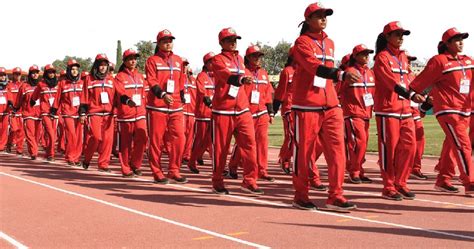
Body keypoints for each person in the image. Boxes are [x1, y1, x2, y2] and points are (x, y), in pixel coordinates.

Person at [291, 3, 358, 210]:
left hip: (331, 105)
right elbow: (313, 66)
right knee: (304, 152)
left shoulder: (329, 43)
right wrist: (340, 74)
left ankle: (336, 195)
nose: (323, 18)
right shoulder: (301, 43)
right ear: (308, 20)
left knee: (338, 150)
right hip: (306, 106)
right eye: (318, 15)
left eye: (325, 15)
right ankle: (301, 195)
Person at [410, 28, 473, 197]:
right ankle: (470, 182)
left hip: (464, 109)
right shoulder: (439, 61)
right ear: (447, 43)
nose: (461, 42)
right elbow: (417, 83)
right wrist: (415, 95)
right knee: (463, 145)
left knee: (452, 145)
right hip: (448, 109)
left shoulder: (468, 60)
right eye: (456, 39)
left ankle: (443, 179)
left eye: (462, 39)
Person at [210, 27, 263, 195]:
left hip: (242, 110)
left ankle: (249, 180)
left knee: (249, 145)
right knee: (221, 149)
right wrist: (240, 79)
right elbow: (226, 75)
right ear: (221, 42)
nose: (233, 42)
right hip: (223, 111)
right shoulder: (217, 60)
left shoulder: (240, 59)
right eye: (229, 40)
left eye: (235, 39)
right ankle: (217, 180)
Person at [373, 21, 421, 201]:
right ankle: (388, 186)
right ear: (387, 37)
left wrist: (416, 93)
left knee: (410, 146)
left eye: (402, 34)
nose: (401, 38)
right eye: (397, 34)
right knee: (389, 150)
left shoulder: (403, 57)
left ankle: (401, 182)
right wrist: (411, 95)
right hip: (388, 110)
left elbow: (409, 79)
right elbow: (390, 82)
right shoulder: (382, 58)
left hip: (405, 110)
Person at [227, 45, 275, 182]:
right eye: (255, 56)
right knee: (243, 143)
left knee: (263, 143)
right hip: (246, 113)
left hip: (261, 113)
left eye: (259, 56)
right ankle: (233, 167)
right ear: (248, 58)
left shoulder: (264, 73)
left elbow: (267, 94)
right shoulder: (242, 72)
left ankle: (262, 170)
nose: (258, 59)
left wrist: (270, 112)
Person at [145, 29, 187, 184]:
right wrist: (162, 94)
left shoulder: (178, 60)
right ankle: (157, 172)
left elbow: (181, 81)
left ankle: (174, 170)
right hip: (157, 107)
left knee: (179, 138)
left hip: (176, 106)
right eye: (165, 41)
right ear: (159, 43)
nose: (168, 43)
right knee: (156, 141)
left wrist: (181, 98)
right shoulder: (152, 60)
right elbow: (152, 81)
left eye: (170, 40)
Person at [339, 44, 376, 184]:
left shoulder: (370, 73)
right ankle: (353, 171)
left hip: (366, 113)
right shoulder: (349, 72)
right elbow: (338, 90)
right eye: (363, 53)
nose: (367, 56)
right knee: (357, 143)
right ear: (355, 56)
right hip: (353, 113)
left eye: (368, 53)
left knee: (363, 143)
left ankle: (359, 171)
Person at [80, 54, 116, 171]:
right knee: (96, 137)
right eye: (100, 65)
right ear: (96, 66)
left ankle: (103, 164)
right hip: (94, 113)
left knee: (108, 140)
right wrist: (82, 113)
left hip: (109, 114)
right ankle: (87, 159)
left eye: (105, 65)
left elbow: (116, 96)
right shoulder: (89, 79)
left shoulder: (111, 79)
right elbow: (84, 97)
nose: (103, 67)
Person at [114, 49, 148, 177]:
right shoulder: (120, 76)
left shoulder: (140, 76)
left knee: (142, 138)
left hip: (140, 113)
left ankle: (136, 164)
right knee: (126, 143)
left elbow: (144, 93)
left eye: (135, 58)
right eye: (130, 59)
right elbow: (120, 93)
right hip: (126, 115)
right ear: (125, 61)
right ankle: (125, 167)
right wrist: (127, 101)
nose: (133, 61)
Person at [51, 59, 84, 166]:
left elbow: (85, 98)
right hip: (67, 113)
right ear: (68, 70)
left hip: (79, 113)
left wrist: (84, 111)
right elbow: (57, 98)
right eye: (72, 69)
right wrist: (54, 110)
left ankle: (77, 157)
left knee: (79, 136)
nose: (74, 71)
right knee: (71, 135)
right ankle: (70, 157)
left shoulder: (82, 83)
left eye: (76, 69)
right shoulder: (62, 83)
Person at [187, 52, 215, 173]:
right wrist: (209, 102)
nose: (214, 64)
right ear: (207, 63)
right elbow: (202, 92)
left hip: (215, 113)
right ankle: (192, 161)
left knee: (212, 141)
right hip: (203, 114)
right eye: (211, 62)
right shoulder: (202, 76)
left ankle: (217, 165)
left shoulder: (217, 76)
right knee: (199, 139)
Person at [405, 52, 429, 180]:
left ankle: (415, 168)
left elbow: (422, 92)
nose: (409, 63)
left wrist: (424, 106)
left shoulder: (413, 76)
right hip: (400, 111)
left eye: (410, 61)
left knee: (420, 138)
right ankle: (396, 166)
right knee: (401, 142)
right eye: (407, 60)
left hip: (414, 110)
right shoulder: (396, 76)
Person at [273, 47, 296, 174]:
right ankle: (285, 160)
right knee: (291, 136)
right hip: (289, 108)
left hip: (302, 108)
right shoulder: (287, 71)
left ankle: (286, 157)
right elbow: (280, 91)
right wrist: (275, 108)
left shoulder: (305, 70)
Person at [31, 64, 59, 161]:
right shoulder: (41, 84)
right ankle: (51, 154)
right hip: (45, 112)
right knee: (50, 133)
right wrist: (32, 102)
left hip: (55, 113)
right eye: (49, 72)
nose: (51, 74)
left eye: (53, 72)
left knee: (52, 135)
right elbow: (34, 96)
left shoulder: (58, 84)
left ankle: (48, 153)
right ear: (46, 73)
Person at [15, 65, 42, 160]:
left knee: (37, 135)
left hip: (39, 114)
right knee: (30, 134)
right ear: (30, 74)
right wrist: (16, 108)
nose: (35, 75)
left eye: (36, 73)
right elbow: (19, 99)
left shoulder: (41, 85)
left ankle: (32, 151)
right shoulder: (24, 86)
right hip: (28, 114)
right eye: (33, 73)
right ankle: (34, 152)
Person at [182, 58, 198, 163]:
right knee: (181, 134)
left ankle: (186, 155)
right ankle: (179, 154)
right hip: (181, 111)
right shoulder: (177, 78)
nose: (185, 67)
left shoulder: (193, 80)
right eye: (183, 65)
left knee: (190, 135)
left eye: (186, 65)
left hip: (191, 111)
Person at [6, 67, 25, 155]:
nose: (17, 76)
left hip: (21, 111)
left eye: (19, 74)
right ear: (13, 75)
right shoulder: (9, 85)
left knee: (21, 131)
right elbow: (9, 96)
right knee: (14, 129)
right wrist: (11, 105)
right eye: (16, 74)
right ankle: (9, 144)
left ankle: (19, 149)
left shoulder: (23, 85)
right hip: (12, 111)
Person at [0, 67, 12, 152]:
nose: (2, 77)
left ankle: (1, 146)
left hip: (5, 112)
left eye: (4, 75)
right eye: (1, 75)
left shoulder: (8, 86)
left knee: (4, 129)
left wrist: (10, 104)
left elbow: (10, 97)